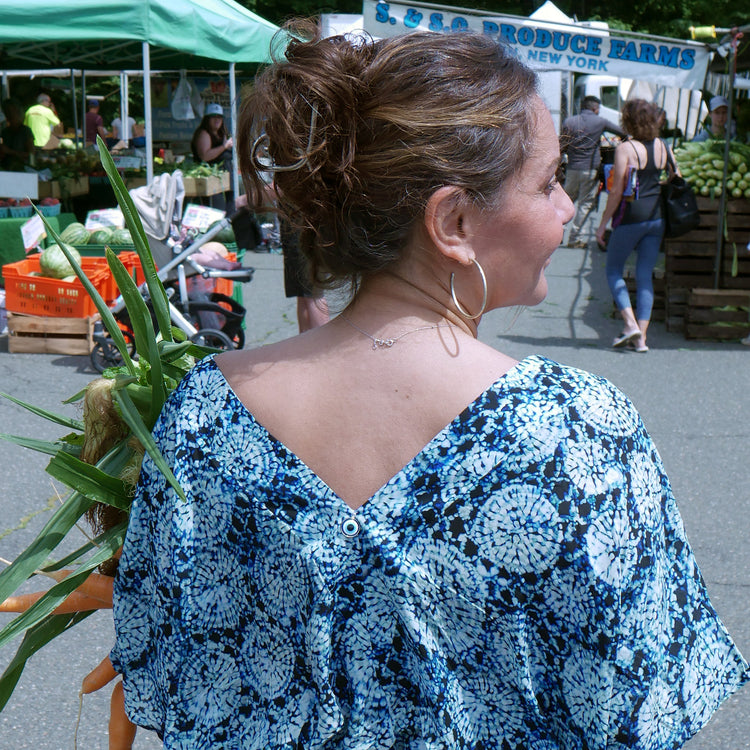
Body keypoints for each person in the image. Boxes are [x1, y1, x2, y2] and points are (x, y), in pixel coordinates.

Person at [112, 24, 748, 749]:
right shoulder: (579, 432)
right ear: (453, 220)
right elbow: (638, 707)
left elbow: (165, 662)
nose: (568, 208)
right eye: (546, 184)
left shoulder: (205, 413)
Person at [595, 99, 677, 353]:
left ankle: (630, 324)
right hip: (657, 216)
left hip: (631, 217)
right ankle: (641, 339)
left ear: (627, 120)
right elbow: (675, 175)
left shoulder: (626, 148)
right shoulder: (664, 145)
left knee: (613, 270)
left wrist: (602, 224)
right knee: (644, 276)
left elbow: (617, 190)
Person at [560, 95, 623, 248]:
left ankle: (558, 232)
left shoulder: (569, 122)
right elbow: (621, 132)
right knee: (585, 203)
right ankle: (575, 238)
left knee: (565, 201)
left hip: (572, 168)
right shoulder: (600, 121)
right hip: (590, 169)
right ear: (595, 109)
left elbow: (562, 144)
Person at [191, 102, 233, 167]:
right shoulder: (203, 134)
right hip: (208, 172)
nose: (217, 120)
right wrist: (224, 146)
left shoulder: (222, 132)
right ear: (207, 119)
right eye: (213, 117)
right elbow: (205, 156)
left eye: (219, 117)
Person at [0, 99, 34, 170]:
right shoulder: (5, 132)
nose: (9, 116)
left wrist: (10, 151)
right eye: (7, 113)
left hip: (21, 169)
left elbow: (31, 156)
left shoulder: (25, 131)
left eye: (12, 113)